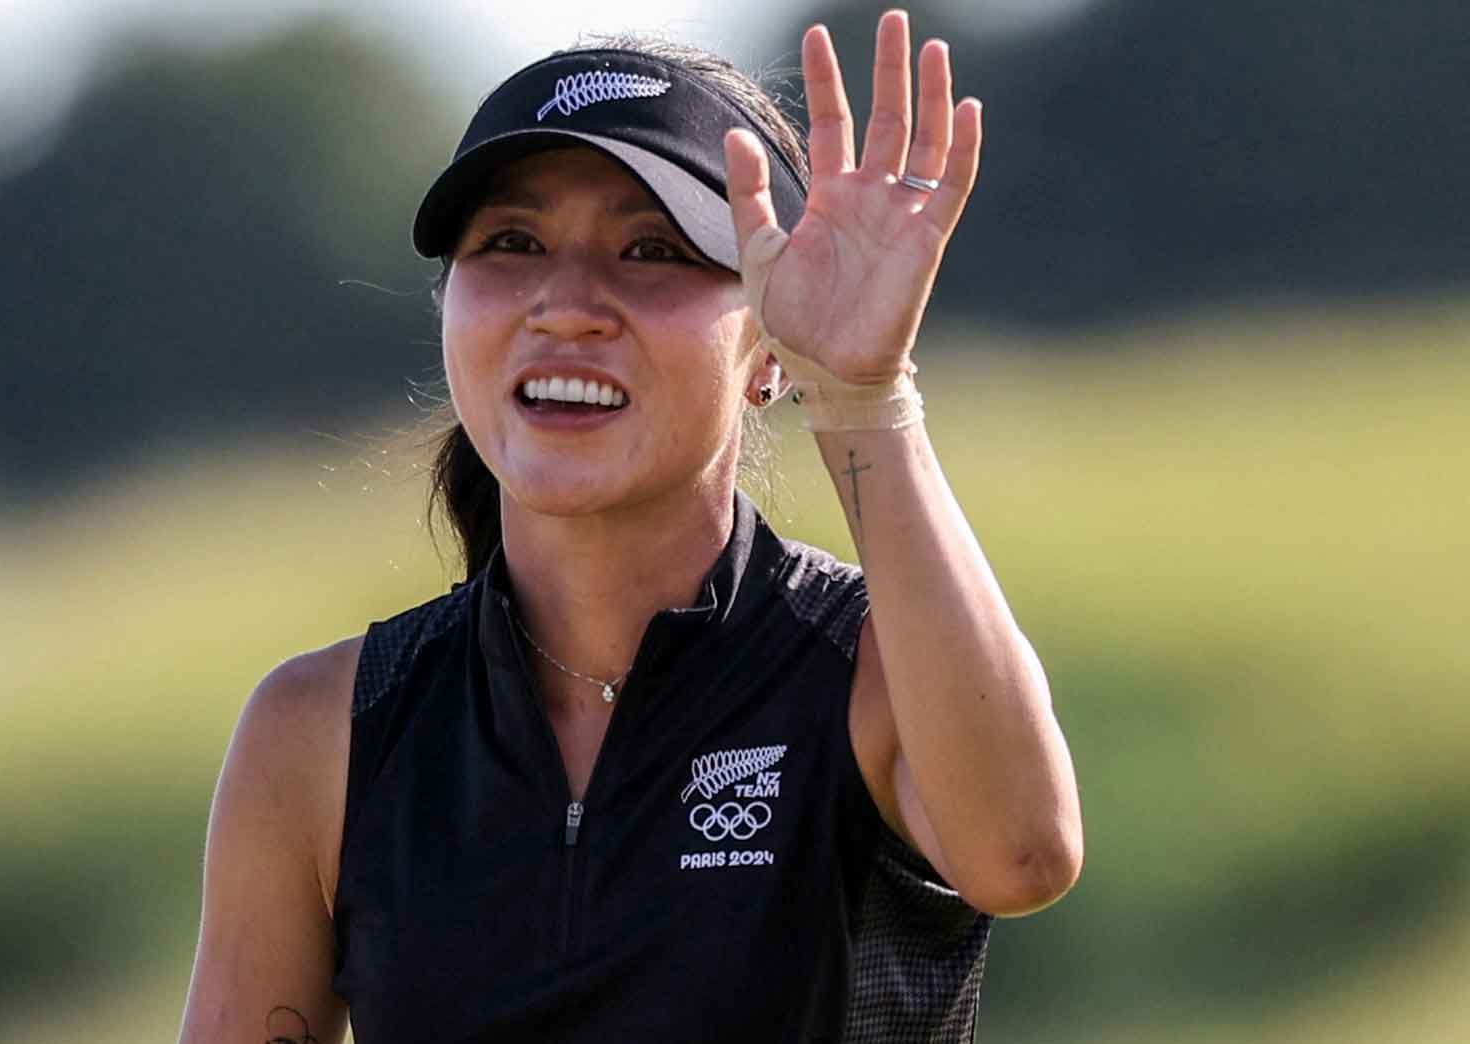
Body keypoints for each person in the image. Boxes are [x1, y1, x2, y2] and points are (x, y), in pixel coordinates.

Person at [177, 10, 1082, 1043]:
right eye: (511, 244)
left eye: (651, 249)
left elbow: (1020, 856)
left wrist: (863, 392)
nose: (566, 305)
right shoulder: (323, 731)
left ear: (768, 348)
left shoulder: (868, 672)